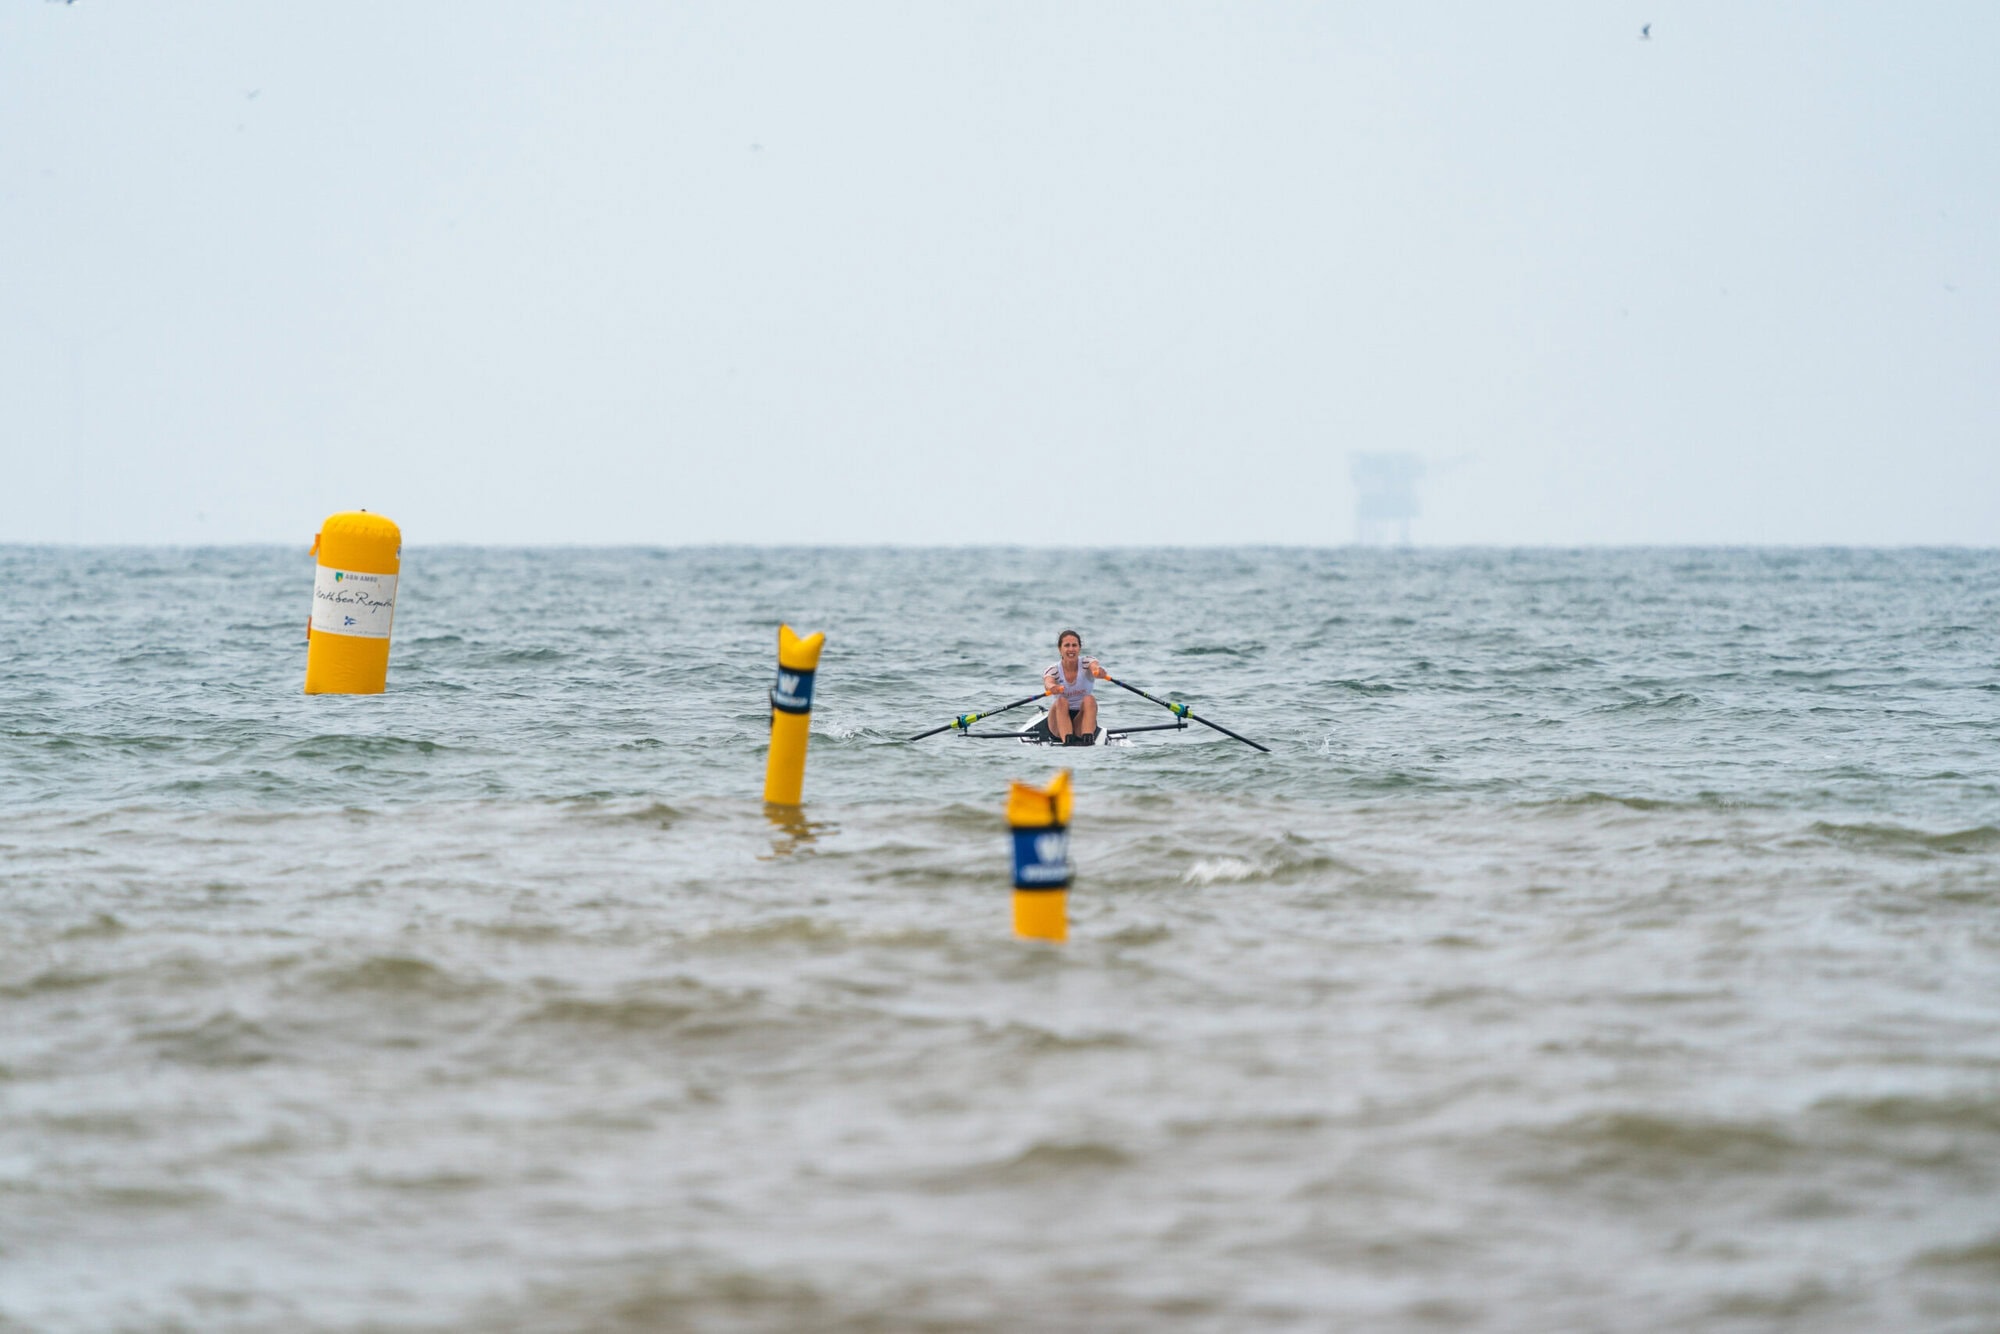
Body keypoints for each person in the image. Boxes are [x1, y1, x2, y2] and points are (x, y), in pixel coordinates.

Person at [1042, 629, 1106, 745]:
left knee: (1089, 699)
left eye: (1074, 645)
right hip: (1058, 719)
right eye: (1067, 645)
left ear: (1079, 648)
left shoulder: (1087, 662)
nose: (1071, 649)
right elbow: (1048, 682)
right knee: (1061, 701)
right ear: (1060, 649)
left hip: (1082, 718)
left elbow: (1095, 667)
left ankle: (1087, 740)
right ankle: (1067, 741)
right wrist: (1052, 687)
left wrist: (1098, 672)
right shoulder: (1053, 670)